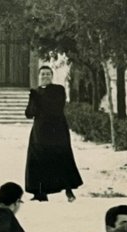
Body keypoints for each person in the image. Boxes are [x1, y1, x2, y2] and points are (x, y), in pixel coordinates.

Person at [24, 65, 82, 202]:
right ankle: (39, 192)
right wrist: (33, 100)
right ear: (39, 77)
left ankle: (68, 190)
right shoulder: (36, 92)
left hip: (57, 130)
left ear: (52, 76)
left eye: (48, 74)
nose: (45, 77)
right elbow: (29, 113)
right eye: (42, 74)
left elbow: (55, 107)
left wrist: (37, 98)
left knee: (61, 158)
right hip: (40, 131)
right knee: (37, 160)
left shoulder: (58, 90)